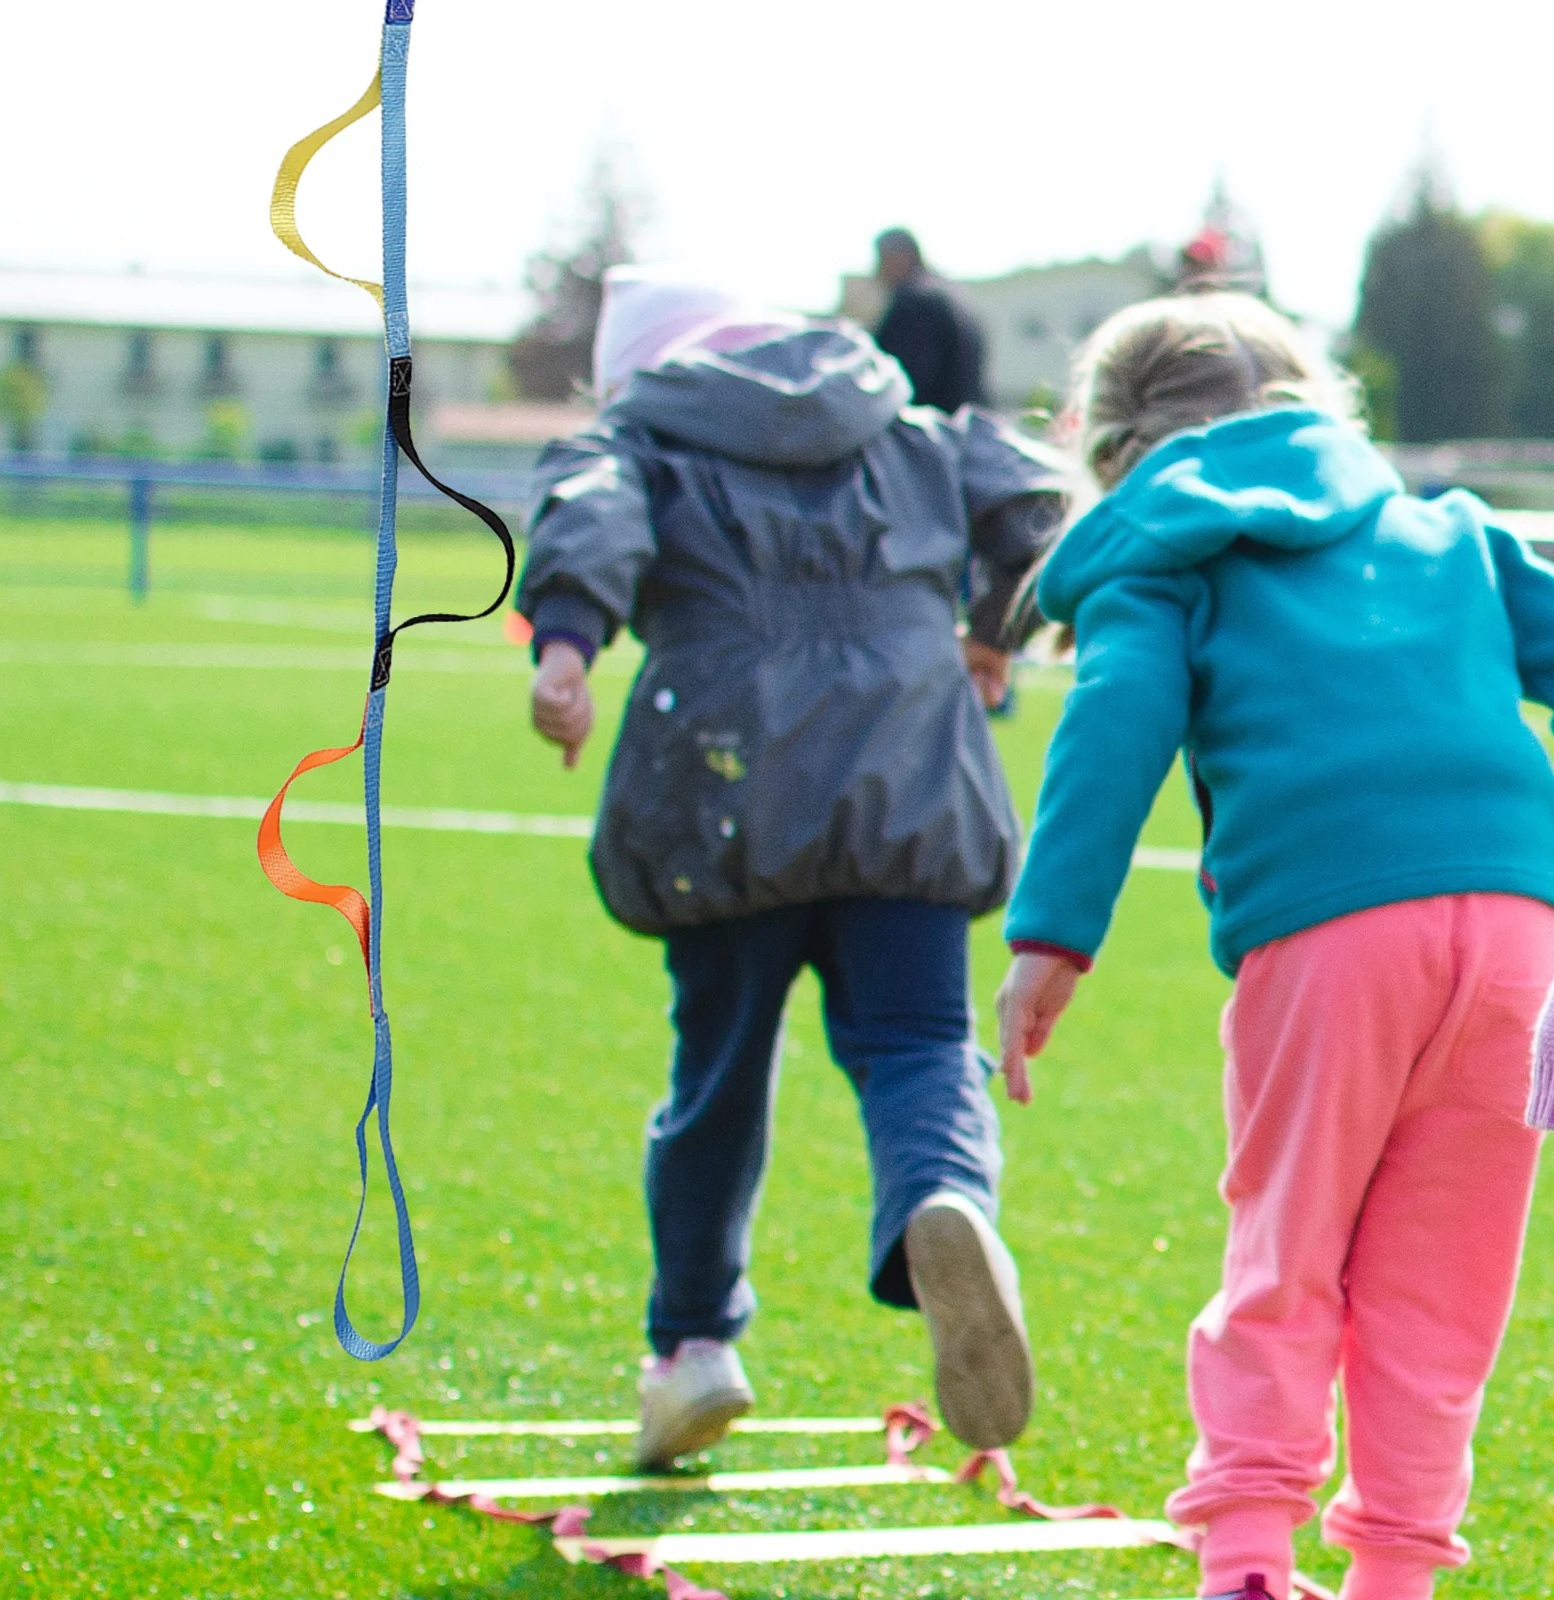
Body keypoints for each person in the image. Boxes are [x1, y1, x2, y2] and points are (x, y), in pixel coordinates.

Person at [992, 292, 1554, 1600]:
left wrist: (1051, 937)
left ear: (1113, 450)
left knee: (1288, 1254)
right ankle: (1398, 1575)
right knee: (1446, 1280)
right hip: (1522, 928)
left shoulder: (1160, 551)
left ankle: (1248, 1557)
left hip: (1333, 929)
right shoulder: (1449, 530)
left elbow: (1118, 716)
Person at [518, 265, 1066, 1471]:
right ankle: (948, 1200)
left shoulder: (644, 433)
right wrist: (992, 626)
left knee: (717, 1070)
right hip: (913, 776)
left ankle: (694, 1346)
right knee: (921, 1043)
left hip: (725, 790)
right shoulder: (901, 420)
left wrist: (566, 642)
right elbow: (1034, 502)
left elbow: (592, 509)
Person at [872, 227, 989, 414]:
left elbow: (906, 380)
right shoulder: (951, 295)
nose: (877, 270)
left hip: (932, 430)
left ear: (902, 256)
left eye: (881, 259)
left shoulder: (916, 301)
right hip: (967, 425)